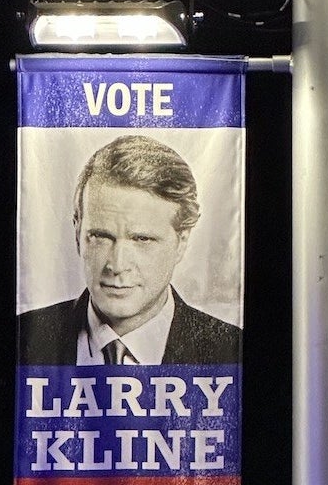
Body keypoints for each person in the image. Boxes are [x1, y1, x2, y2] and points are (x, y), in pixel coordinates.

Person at [18, 133, 241, 365]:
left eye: (142, 239)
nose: (117, 265)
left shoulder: (231, 349)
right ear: (77, 232)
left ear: (181, 241)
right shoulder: (23, 338)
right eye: (100, 236)